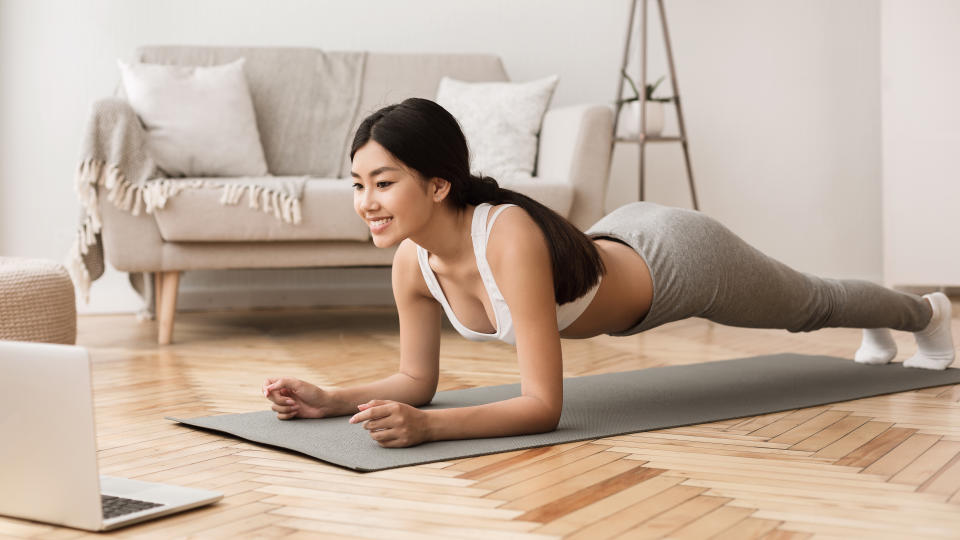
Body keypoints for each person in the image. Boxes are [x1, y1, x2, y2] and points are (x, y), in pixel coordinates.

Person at [262, 98, 956, 448]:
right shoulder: (413, 264)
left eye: (382, 183)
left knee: (810, 304)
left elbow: (544, 407)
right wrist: (328, 397)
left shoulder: (507, 237)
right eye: (357, 185)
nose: (365, 204)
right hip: (615, 239)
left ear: (438, 185)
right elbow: (418, 381)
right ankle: (896, 322)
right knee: (813, 303)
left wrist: (431, 429)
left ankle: (926, 312)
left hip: (679, 260)